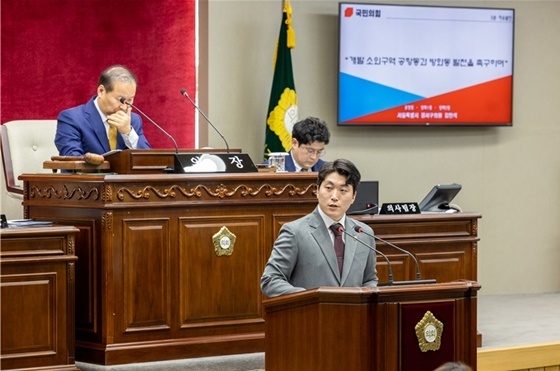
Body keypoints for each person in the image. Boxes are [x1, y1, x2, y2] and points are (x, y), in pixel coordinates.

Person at [261, 158, 378, 297]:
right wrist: (310, 298)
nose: (334, 197)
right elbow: (270, 280)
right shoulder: (295, 232)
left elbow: (370, 279)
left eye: (343, 190)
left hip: (353, 317)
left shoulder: (364, 233)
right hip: (310, 315)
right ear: (317, 190)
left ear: (353, 196)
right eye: (329, 188)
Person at [55, 65, 151, 156]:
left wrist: (128, 133)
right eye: (121, 100)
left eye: (130, 100)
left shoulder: (133, 120)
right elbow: (71, 159)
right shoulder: (72, 118)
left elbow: (148, 161)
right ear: (101, 91)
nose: (124, 107)